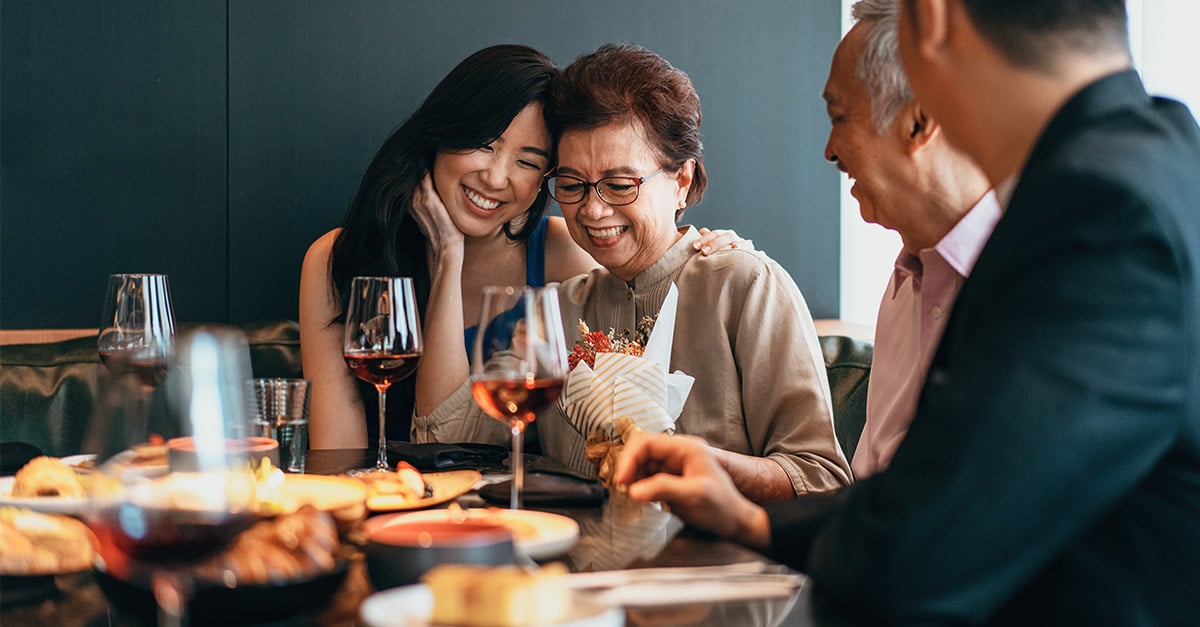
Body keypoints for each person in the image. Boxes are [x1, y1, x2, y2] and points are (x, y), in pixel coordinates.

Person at [615, 0, 1200, 624]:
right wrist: (755, 520)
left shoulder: (1098, 214)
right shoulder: (1160, 154)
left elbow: (932, 547)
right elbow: (952, 482)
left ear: (937, 20)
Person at [415, 43, 851, 504]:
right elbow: (441, 441)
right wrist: (448, 252)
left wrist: (695, 460)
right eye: (571, 185)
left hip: (713, 566)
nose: (593, 209)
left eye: (620, 185)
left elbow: (820, 477)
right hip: (578, 566)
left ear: (681, 180)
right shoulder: (561, 309)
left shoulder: (744, 287)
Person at [299, 45, 741, 449]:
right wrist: (446, 254)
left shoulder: (565, 251)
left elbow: (646, 322)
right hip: (387, 503)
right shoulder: (336, 258)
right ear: (440, 136)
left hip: (528, 512)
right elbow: (338, 455)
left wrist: (705, 249)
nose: (495, 178)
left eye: (528, 161)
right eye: (483, 145)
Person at [822, 0, 1000, 478]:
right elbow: (869, 484)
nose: (829, 150)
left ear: (919, 121)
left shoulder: (1029, 274)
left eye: (839, 118)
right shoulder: (905, 280)